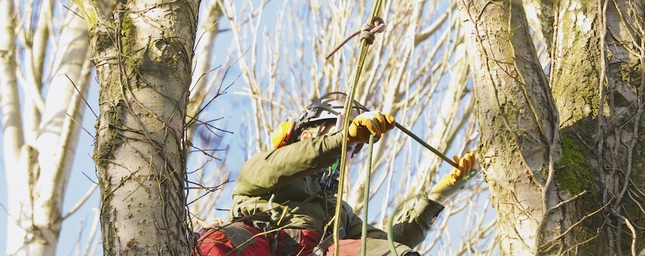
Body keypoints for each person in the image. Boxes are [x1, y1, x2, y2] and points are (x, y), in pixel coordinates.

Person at [194, 92, 477, 256]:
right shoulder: (264, 167)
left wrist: (438, 195)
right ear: (308, 134)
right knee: (220, 242)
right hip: (262, 244)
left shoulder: (337, 211)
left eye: (354, 149)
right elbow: (287, 164)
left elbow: (389, 243)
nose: (349, 152)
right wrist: (343, 139)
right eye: (346, 141)